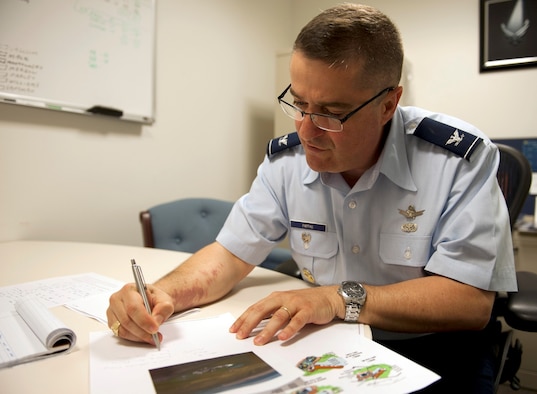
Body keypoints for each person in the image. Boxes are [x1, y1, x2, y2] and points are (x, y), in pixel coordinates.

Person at [107, 3, 517, 392]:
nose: (306, 130)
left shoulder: (458, 158)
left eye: (331, 112)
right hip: (322, 343)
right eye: (298, 104)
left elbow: (469, 302)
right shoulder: (287, 160)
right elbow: (230, 253)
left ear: (389, 104)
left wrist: (337, 298)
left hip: (432, 348)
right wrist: (164, 295)